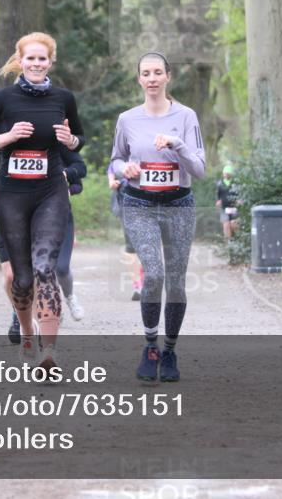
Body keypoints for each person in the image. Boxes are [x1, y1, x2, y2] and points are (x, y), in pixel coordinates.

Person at [0, 32, 84, 370]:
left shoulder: (64, 98)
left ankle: (49, 353)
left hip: (50, 191)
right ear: (19, 61)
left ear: (51, 62)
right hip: (11, 194)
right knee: (21, 279)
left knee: (46, 267)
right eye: (30, 58)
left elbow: (79, 142)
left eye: (42, 59)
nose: (36, 64)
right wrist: (8, 137)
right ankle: (27, 331)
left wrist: (72, 139)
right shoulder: (1, 100)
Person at [110, 51, 205, 382]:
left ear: (168, 76)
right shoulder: (127, 119)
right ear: (139, 79)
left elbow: (200, 169)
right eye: (145, 73)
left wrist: (177, 145)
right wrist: (126, 168)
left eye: (157, 72)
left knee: (176, 281)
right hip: (139, 204)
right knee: (154, 273)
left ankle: (170, 350)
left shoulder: (186, 116)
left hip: (179, 204)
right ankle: (150, 346)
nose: (151, 78)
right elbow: (115, 161)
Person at [0, 143, 87, 344]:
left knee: (42, 270)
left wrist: (63, 181)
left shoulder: (51, 133)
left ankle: (35, 322)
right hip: (10, 210)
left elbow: (79, 170)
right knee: (11, 276)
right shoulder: (4, 129)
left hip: (46, 215)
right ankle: (21, 313)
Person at [108, 165, 143, 301]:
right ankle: (138, 286)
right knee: (131, 246)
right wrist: (113, 183)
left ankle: (146, 282)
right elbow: (111, 176)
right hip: (126, 204)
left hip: (150, 203)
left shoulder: (149, 151)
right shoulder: (118, 159)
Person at [216, 164, 240, 239]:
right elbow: (218, 195)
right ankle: (228, 245)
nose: (226, 175)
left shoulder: (236, 183)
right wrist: (218, 201)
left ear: (231, 174)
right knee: (226, 225)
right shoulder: (219, 184)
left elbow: (240, 193)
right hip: (224, 207)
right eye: (225, 173)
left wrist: (239, 200)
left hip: (234, 207)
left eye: (228, 173)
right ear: (223, 174)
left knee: (233, 225)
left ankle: (236, 241)